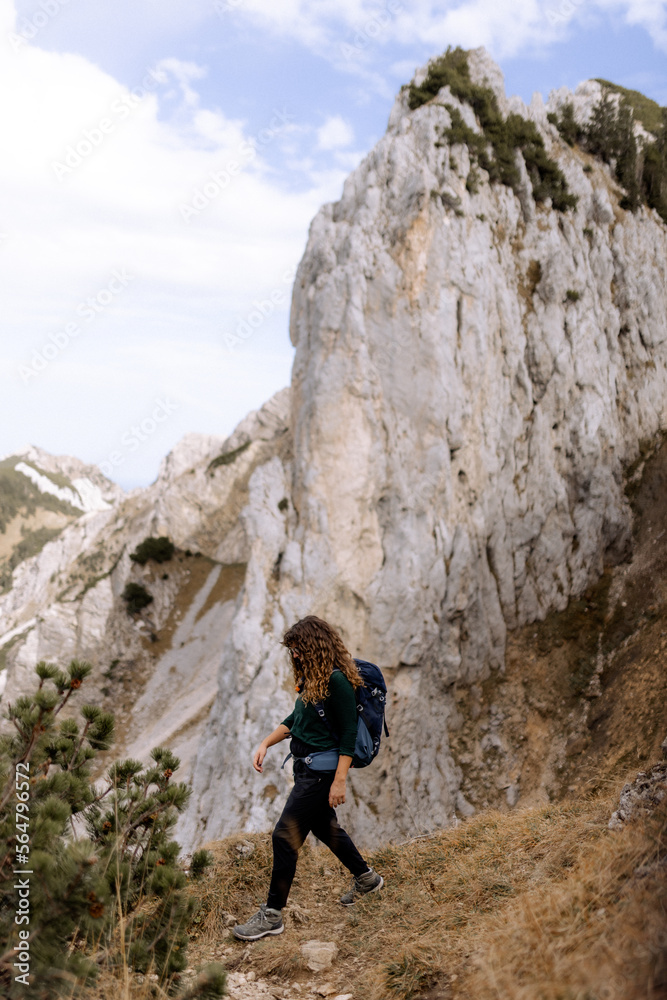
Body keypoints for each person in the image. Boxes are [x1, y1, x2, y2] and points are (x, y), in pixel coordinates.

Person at [232, 615, 383, 941]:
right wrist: (265, 743)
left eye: (299, 649)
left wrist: (339, 781)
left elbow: (346, 734)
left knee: (283, 836)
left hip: (320, 773)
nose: (295, 655)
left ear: (315, 645)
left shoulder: (338, 682)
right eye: (292, 650)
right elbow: (294, 720)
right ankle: (367, 879)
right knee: (325, 828)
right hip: (305, 768)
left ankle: (272, 915)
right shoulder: (312, 681)